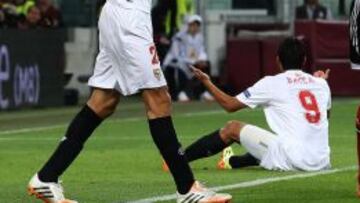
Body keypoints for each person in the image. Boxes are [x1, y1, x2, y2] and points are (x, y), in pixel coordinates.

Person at [27, 0, 232, 203]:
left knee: (103, 102)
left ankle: (47, 177)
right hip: (129, 17)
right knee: (158, 100)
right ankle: (187, 187)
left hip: (118, 15)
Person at [177, 38, 332, 172]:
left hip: (293, 159)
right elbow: (325, 118)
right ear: (304, 60)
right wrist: (319, 82)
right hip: (322, 161)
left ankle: (179, 161)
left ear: (278, 60)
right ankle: (231, 162)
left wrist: (207, 82)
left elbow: (229, 105)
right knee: (274, 141)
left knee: (233, 128)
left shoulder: (271, 83)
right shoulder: (321, 83)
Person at [163, 15, 213, 101]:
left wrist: (202, 60)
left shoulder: (200, 37)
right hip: (175, 63)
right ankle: (181, 93)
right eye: (192, 25)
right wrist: (193, 61)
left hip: (191, 63)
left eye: (197, 25)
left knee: (207, 65)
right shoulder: (179, 37)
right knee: (179, 66)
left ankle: (203, 92)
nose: (195, 27)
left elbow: (202, 51)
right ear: (188, 25)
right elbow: (177, 55)